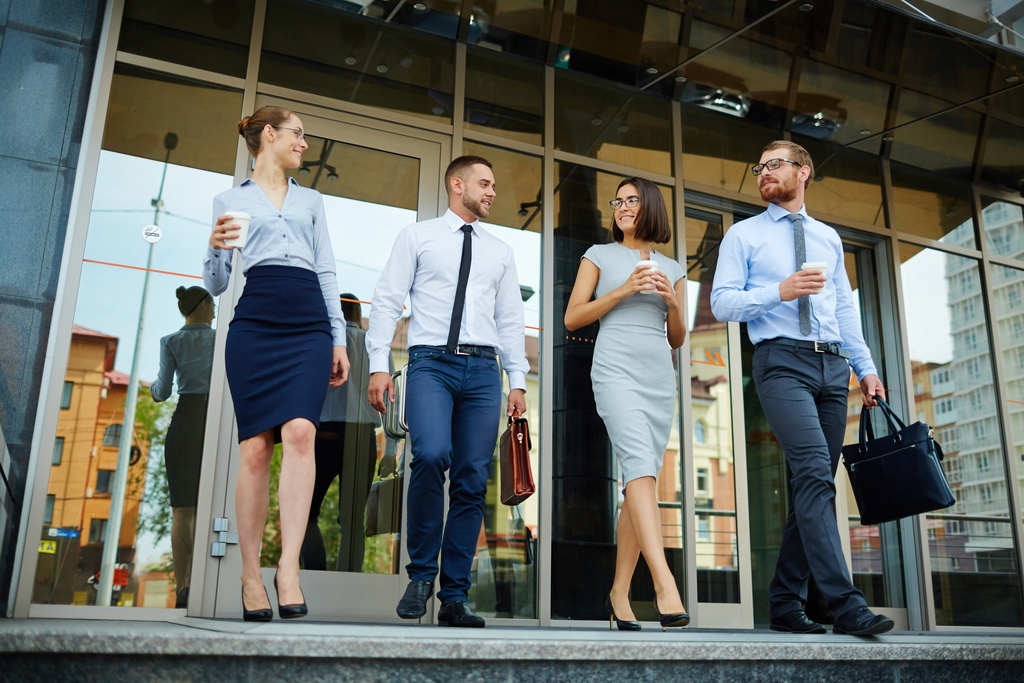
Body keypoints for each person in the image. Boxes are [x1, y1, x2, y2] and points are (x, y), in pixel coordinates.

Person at [710, 140, 893, 636]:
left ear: (804, 172)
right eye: (760, 166)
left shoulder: (829, 238)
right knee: (814, 473)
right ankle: (845, 604)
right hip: (781, 362)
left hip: (833, 370)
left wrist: (866, 368)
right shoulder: (743, 236)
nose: (764, 173)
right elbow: (723, 303)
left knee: (811, 486)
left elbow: (844, 309)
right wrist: (780, 292)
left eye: (775, 165)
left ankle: (785, 604)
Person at [367, 155, 529, 628]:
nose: (492, 191)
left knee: (472, 479)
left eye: (494, 184)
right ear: (456, 185)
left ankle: (454, 596)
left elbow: (511, 320)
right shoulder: (417, 236)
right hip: (430, 365)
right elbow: (387, 299)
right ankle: (421, 576)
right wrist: (380, 365)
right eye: (485, 183)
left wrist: (516, 379)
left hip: (483, 372)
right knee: (432, 454)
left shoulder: (500, 250)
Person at [204, 105, 350, 622]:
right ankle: (249, 575)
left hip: (308, 320)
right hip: (256, 321)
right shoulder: (230, 199)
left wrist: (338, 337)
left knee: (302, 434)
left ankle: (287, 568)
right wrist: (215, 247)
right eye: (298, 135)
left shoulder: (311, 200)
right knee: (254, 451)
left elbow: (328, 270)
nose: (304, 144)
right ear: (270, 135)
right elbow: (218, 282)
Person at [564, 176, 690, 631]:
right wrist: (623, 290)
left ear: (650, 206)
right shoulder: (599, 255)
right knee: (638, 467)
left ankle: (618, 593)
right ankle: (663, 584)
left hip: (658, 375)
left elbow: (677, 337)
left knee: (641, 482)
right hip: (614, 367)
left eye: (631, 200)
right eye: (618, 201)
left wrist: (672, 302)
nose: (621, 206)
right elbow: (573, 316)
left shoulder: (674, 267)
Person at [301, 294, 396, 573]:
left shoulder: (322, 345)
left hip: (322, 436)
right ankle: (348, 582)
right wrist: (390, 451)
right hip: (360, 436)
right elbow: (390, 402)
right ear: (357, 315)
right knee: (353, 521)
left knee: (305, 514)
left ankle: (314, 577)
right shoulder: (376, 349)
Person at [150, 285, 216, 609]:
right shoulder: (221, 339)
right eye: (213, 304)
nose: (216, 310)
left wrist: (151, 388)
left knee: (182, 510)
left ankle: (182, 587)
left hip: (184, 420)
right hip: (213, 421)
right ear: (203, 306)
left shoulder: (170, 341)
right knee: (211, 506)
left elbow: (161, 392)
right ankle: (205, 584)